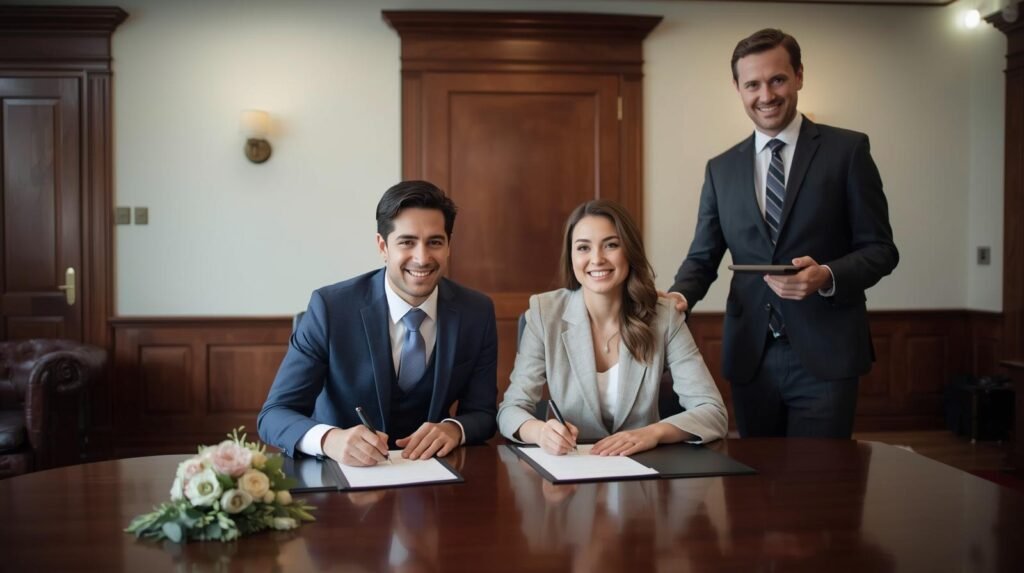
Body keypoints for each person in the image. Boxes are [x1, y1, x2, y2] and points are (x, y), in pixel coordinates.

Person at [666, 29, 899, 439]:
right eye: (752, 84)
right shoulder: (720, 169)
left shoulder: (848, 151)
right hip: (750, 356)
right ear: (738, 88)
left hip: (827, 355)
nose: (766, 95)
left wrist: (827, 275)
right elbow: (703, 257)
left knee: (821, 487)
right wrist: (679, 297)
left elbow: (881, 249)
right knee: (753, 492)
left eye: (777, 80)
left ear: (799, 76)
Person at [258, 181, 497, 466]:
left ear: (448, 247)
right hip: (341, 475)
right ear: (383, 246)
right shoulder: (331, 308)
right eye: (407, 242)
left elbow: (483, 414)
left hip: (434, 476)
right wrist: (330, 439)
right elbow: (274, 414)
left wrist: (454, 429)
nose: (422, 258)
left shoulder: (476, 311)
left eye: (434, 242)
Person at [497, 200, 727, 455]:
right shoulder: (544, 313)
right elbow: (510, 410)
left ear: (629, 251)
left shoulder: (664, 316)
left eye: (611, 245)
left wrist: (652, 433)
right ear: (571, 256)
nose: (597, 259)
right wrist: (540, 432)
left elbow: (712, 412)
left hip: (643, 469)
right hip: (572, 470)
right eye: (583, 247)